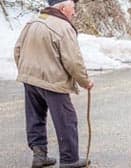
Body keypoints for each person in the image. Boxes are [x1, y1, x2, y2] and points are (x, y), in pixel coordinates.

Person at [14, 0, 94, 167]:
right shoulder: (63, 28)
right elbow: (73, 61)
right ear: (63, 8)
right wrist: (85, 81)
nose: (74, 13)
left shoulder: (33, 22)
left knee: (35, 117)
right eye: (73, 8)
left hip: (30, 78)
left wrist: (26, 71)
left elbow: (17, 50)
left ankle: (39, 155)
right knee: (66, 120)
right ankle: (69, 159)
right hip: (52, 81)